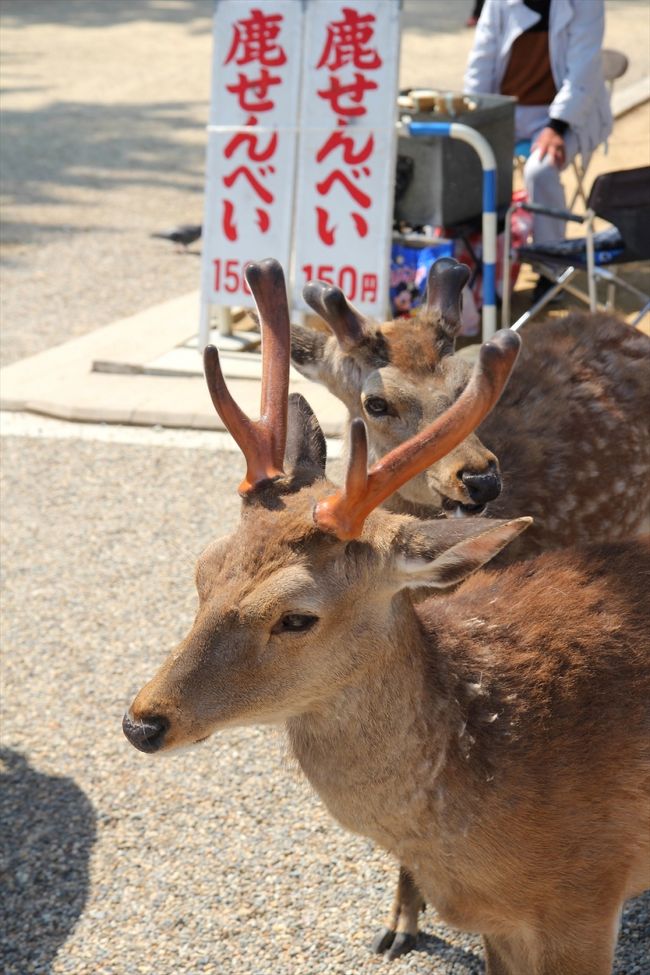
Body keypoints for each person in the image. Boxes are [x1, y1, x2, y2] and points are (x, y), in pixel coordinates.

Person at [464, 0, 612, 301]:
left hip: (566, 114)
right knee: (467, 162)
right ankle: (482, 271)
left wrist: (556, 126)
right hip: (507, 112)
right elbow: (481, 62)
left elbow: (582, 70)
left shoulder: (586, 4)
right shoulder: (498, 4)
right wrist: (477, 117)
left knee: (540, 169)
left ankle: (551, 269)